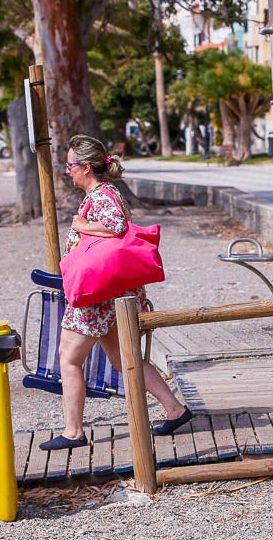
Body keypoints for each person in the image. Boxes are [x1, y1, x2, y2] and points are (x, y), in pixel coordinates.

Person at [40, 134, 193, 451]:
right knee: (126, 359)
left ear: (85, 167)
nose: (67, 171)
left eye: (69, 166)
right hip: (113, 296)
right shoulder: (106, 192)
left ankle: (73, 432)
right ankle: (176, 410)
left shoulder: (102, 196)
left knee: (68, 359)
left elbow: (117, 226)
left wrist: (81, 227)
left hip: (98, 298)